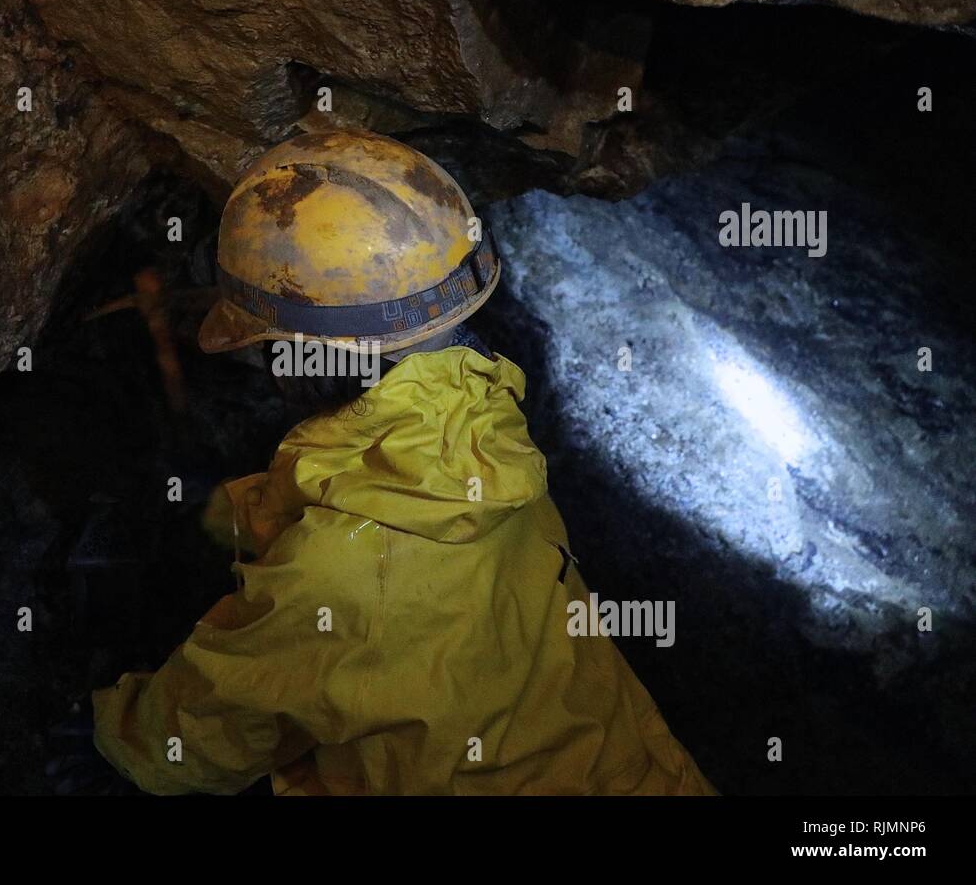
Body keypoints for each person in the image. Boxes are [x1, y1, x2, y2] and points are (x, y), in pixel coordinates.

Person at [91, 129, 716, 795]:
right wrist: (242, 516)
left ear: (296, 357)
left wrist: (105, 725)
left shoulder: (336, 580)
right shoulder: (484, 416)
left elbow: (184, 745)